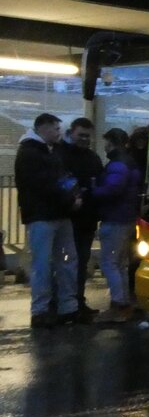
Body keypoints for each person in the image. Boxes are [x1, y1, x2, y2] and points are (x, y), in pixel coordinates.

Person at [14, 113, 84, 328]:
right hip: (47, 215)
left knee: (47, 263)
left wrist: (72, 195)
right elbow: (48, 184)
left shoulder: (39, 152)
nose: (59, 133)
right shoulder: (32, 154)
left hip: (47, 215)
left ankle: (52, 308)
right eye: (55, 129)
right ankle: (54, 308)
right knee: (57, 262)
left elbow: (56, 180)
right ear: (42, 128)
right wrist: (73, 197)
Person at [91, 128, 141, 322]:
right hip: (127, 218)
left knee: (109, 263)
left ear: (111, 142)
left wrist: (93, 190)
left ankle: (118, 305)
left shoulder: (118, 163)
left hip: (115, 218)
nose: (104, 147)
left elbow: (113, 188)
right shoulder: (130, 162)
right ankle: (125, 303)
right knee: (120, 263)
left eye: (106, 143)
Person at [60, 117, 104, 316]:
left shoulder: (90, 158)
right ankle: (69, 303)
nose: (85, 139)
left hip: (84, 219)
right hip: (70, 218)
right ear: (72, 133)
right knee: (69, 264)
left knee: (78, 263)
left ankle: (75, 302)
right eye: (81, 135)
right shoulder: (65, 156)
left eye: (87, 136)